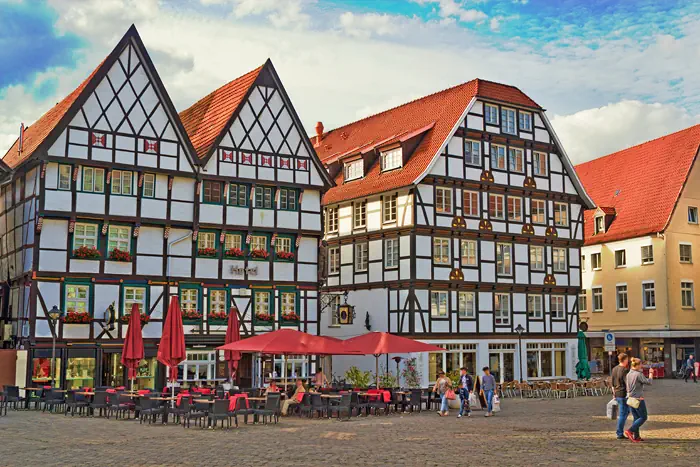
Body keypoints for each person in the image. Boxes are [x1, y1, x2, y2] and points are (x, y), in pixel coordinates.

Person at [625, 358, 652, 442]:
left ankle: (636, 436)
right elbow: (649, 382)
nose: (642, 366)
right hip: (638, 399)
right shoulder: (638, 374)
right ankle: (630, 430)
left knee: (636, 417)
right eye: (641, 364)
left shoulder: (628, 374)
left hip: (630, 398)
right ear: (637, 365)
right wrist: (651, 373)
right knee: (643, 417)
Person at [612, 353, 631, 440]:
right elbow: (627, 383)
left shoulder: (614, 369)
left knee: (626, 412)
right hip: (623, 393)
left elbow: (612, 383)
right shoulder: (624, 370)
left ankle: (620, 431)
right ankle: (619, 433)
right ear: (625, 360)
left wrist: (614, 394)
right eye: (627, 359)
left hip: (617, 393)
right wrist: (629, 393)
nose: (628, 361)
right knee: (623, 414)